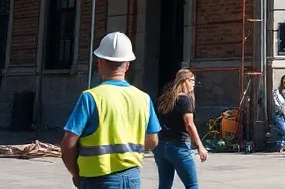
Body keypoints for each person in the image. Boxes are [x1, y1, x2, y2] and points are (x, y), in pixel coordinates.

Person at [61, 32, 160, 189]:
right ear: (127, 65)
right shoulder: (143, 98)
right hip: (132, 178)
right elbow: (153, 140)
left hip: (98, 179)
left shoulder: (90, 97)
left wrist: (76, 173)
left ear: (100, 63)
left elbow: (69, 143)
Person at [155, 69, 209, 189]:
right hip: (178, 146)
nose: (194, 84)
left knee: (164, 185)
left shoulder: (166, 99)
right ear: (185, 81)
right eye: (192, 80)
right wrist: (200, 146)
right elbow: (189, 125)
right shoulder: (184, 99)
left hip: (161, 146)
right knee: (192, 185)